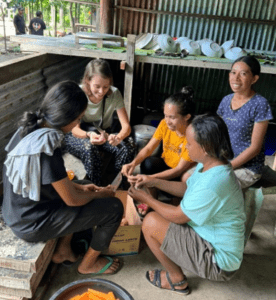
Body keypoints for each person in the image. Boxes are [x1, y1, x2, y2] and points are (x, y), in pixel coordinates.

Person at [2, 81, 124, 276]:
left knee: (83, 184)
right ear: (66, 118)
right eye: (77, 119)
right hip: (31, 223)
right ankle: (88, 264)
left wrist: (85, 189)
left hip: (17, 211)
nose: (78, 124)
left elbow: (61, 187)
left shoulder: (30, 128)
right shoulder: (47, 148)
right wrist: (102, 194)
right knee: (114, 208)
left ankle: (62, 251)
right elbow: (72, 200)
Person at [128, 114, 246, 295]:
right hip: (210, 240)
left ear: (205, 147)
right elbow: (186, 188)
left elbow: (178, 215)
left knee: (151, 222)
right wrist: (153, 181)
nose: (185, 146)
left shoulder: (215, 182)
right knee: (160, 218)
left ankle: (177, 280)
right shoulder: (209, 164)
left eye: (189, 144)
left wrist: (147, 199)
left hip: (219, 262)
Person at [122, 86, 196, 215]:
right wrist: (133, 164)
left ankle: (176, 203)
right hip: (167, 165)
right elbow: (149, 148)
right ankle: (151, 201)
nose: (167, 121)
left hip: (180, 174)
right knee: (148, 163)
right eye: (165, 116)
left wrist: (149, 178)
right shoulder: (164, 124)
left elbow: (178, 170)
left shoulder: (192, 135)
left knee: (182, 182)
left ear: (186, 117)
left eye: (172, 117)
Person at [64, 59, 135, 186]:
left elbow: (126, 127)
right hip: (78, 135)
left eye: (105, 87)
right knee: (89, 148)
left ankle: (116, 184)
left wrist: (117, 138)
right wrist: (89, 135)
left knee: (125, 148)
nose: (101, 91)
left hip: (101, 134)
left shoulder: (114, 94)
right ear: (87, 81)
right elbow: (74, 129)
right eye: (97, 86)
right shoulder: (78, 93)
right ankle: (95, 188)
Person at [217, 56, 273, 189]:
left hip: (248, 168)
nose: (236, 78)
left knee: (215, 185)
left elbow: (254, 148)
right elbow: (216, 133)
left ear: (254, 79)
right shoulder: (226, 100)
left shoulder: (260, 104)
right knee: (189, 177)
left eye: (243, 74)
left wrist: (227, 167)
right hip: (223, 160)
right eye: (233, 72)